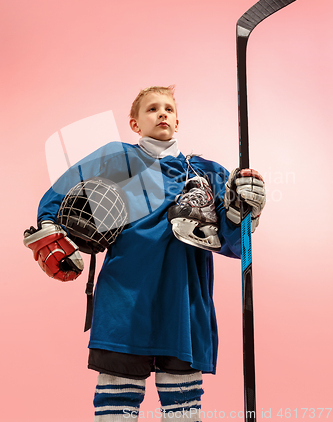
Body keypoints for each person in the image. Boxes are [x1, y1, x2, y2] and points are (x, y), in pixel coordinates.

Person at [24, 86, 266, 422]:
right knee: (116, 405)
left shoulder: (207, 173)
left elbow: (236, 245)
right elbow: (56, 199)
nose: (162, 114)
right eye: (152, 109)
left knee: (183, 410)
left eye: (168, 109)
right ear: (135, 124)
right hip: (124, 296)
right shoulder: (115, 158)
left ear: (177, 121)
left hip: (185, 299)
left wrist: (245, 213)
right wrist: (50, 232)